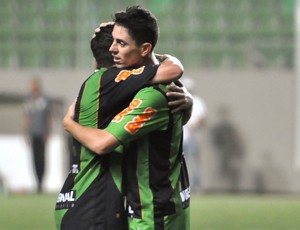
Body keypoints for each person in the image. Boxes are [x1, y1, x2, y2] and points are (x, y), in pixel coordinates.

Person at [63, 6, 190, 230]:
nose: (112, 49)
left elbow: (102, 143)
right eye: (112, 41)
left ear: (144, 49)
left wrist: (68, 124)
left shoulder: (151, 94)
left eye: (121, 43)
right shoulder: (142, 84)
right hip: (150, 207)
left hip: (154, 213)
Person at [23, 78, 52, 193]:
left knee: (42, 159)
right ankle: (37, 183)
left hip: (42, 134)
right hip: (33, 134)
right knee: (34, 159)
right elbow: (26, 119)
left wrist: (48, 133)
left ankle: (41, 182)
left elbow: (49, 118)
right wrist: (25, 133)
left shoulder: (44, 100)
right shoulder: (29, 101)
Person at [182, 78, 207, 193]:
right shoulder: (179, 99)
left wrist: (194, 124)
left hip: (192, 136)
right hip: (180, 136)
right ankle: (181, 186)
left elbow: (202, 119)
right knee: (178, 162)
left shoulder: (198, 101)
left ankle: (196, 186)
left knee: (193, 162)